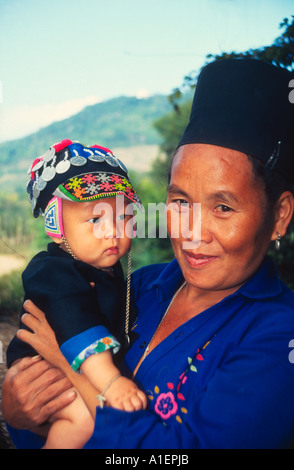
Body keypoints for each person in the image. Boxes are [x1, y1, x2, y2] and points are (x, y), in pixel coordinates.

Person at [2, 58, 294, 449]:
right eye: (180, 201)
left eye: (223, 207)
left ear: (279, 215)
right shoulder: (139, 287)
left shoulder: (278, 334)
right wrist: (20, 412)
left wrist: (68, 366)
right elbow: (46, 420)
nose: (191, 232)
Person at [5, 139, 147, 449]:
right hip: (41, 368)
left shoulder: (105, 267)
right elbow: (76, 320)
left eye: (123, 217)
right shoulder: (53, 271)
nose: (113, 230)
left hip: (74, 366)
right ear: (56, 225)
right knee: (83, 418)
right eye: (95, 220)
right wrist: (110, 380)